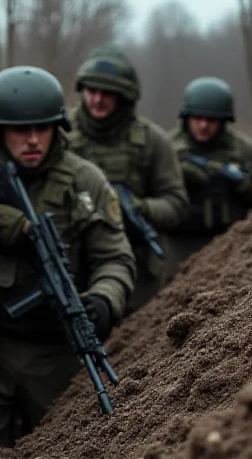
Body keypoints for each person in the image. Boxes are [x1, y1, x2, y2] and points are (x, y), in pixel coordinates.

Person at [0, 66, 136, 458]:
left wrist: (104, 300)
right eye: (21, 130)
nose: (33, 140)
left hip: (56, 352)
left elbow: (115, 259)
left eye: (44, 128)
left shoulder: (85, 180)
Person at [67, 45, 188, 311]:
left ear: (125, 96)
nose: (97, 99)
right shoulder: (60, 136)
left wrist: (140, 208)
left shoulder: (152, 141)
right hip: (70, 266)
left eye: (107, 93)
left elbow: (176, 204)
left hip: (137, 276)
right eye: (91, 91)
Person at [166, 76, 252, 272]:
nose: (203, 126)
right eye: (197, 118)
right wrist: (177, 179)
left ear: (224, 120)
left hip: (233, 248)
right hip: (178, 248)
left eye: (211, 119)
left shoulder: (242, 150)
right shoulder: (168, 149)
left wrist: (246, 190)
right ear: (187, 117)